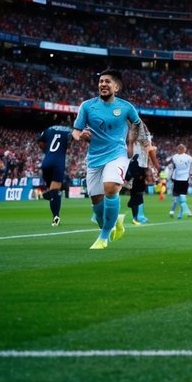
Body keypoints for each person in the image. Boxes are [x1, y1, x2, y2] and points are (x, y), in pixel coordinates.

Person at [71, 69, 145, 250]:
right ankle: (115, 222)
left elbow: (137, 123)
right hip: (94, 158)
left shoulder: (126, 107)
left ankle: (103, 237)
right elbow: (76, 131)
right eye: (101, 81)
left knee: (111, 187)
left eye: (107, 82)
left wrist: (130, 142)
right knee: (97, 205)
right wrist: (81, 136)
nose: (103, 84)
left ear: (116, 87)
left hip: (117, 154)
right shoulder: (87, 106)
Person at [36, 122, 72, 227]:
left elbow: (40, 141)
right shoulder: (69, 131)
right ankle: (55, 217)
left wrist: (47, 151)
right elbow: (75, 138)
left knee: (54, 192)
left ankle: (51, 194)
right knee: (55, 192)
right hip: (58, 163)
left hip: (46, 162)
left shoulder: (49, 129)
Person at [122, 122, 157, 224]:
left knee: (135, 193)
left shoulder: (132, 138)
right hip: (137, 166)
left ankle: (136, 217)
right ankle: (139, 216)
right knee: (138, 193)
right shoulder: (138, 139)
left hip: (135, 165)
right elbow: (148, 149)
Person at [167, 144, 192, 220]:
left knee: (177, 198)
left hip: (177, 179)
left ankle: (175, 212)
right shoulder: (189, 158)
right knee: (182, 197)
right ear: (185, 149)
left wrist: (170, 177)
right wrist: (191, 174)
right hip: (184, 179)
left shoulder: (174, 157)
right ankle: (183, 213)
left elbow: (172, 167)